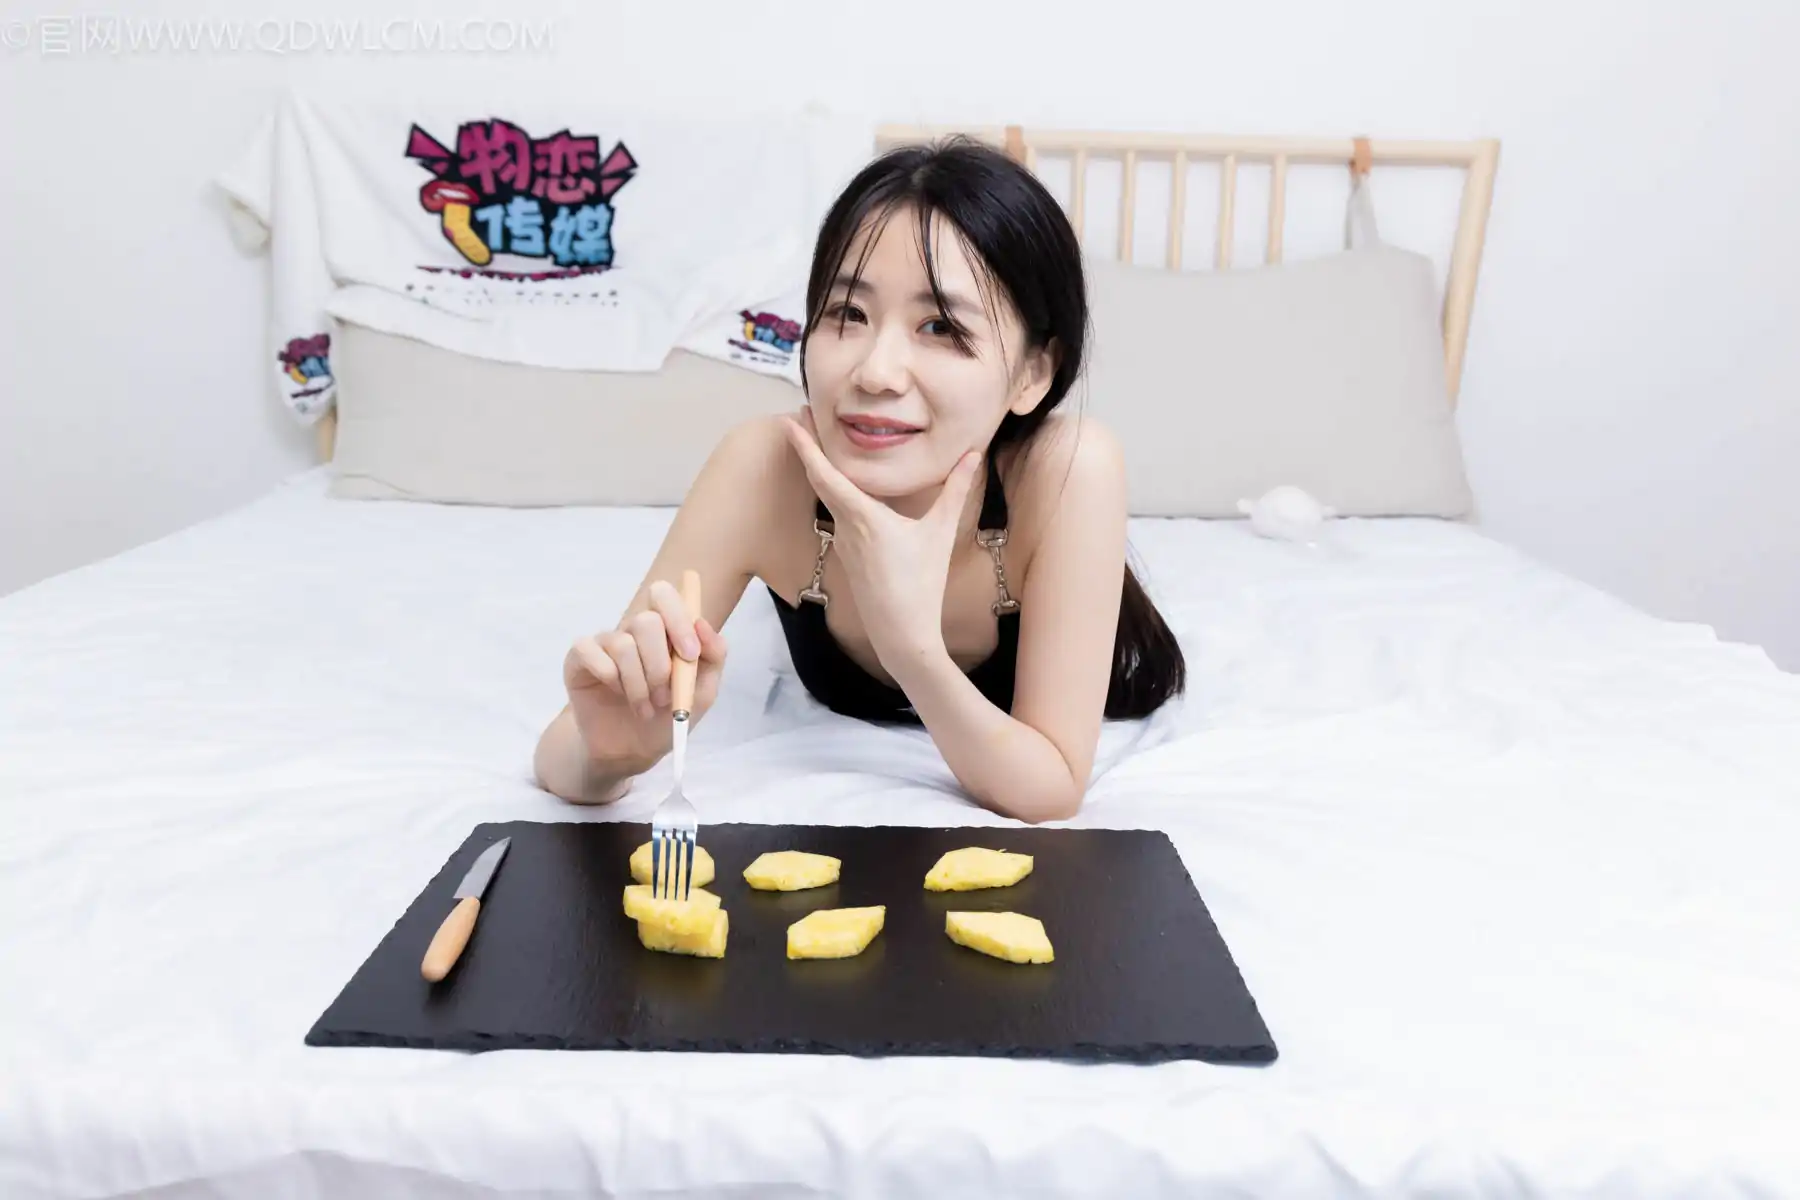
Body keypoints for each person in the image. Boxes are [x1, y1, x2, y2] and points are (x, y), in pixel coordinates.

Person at [533, 136, 1186, 823]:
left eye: (940, 327)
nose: (874, 372)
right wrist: (610, 756)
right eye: (848, 314)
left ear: (1033, 373)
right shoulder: (762, 467)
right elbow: (566, 749)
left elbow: (1050, 790)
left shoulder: (1067, 471)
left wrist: (911, 650)